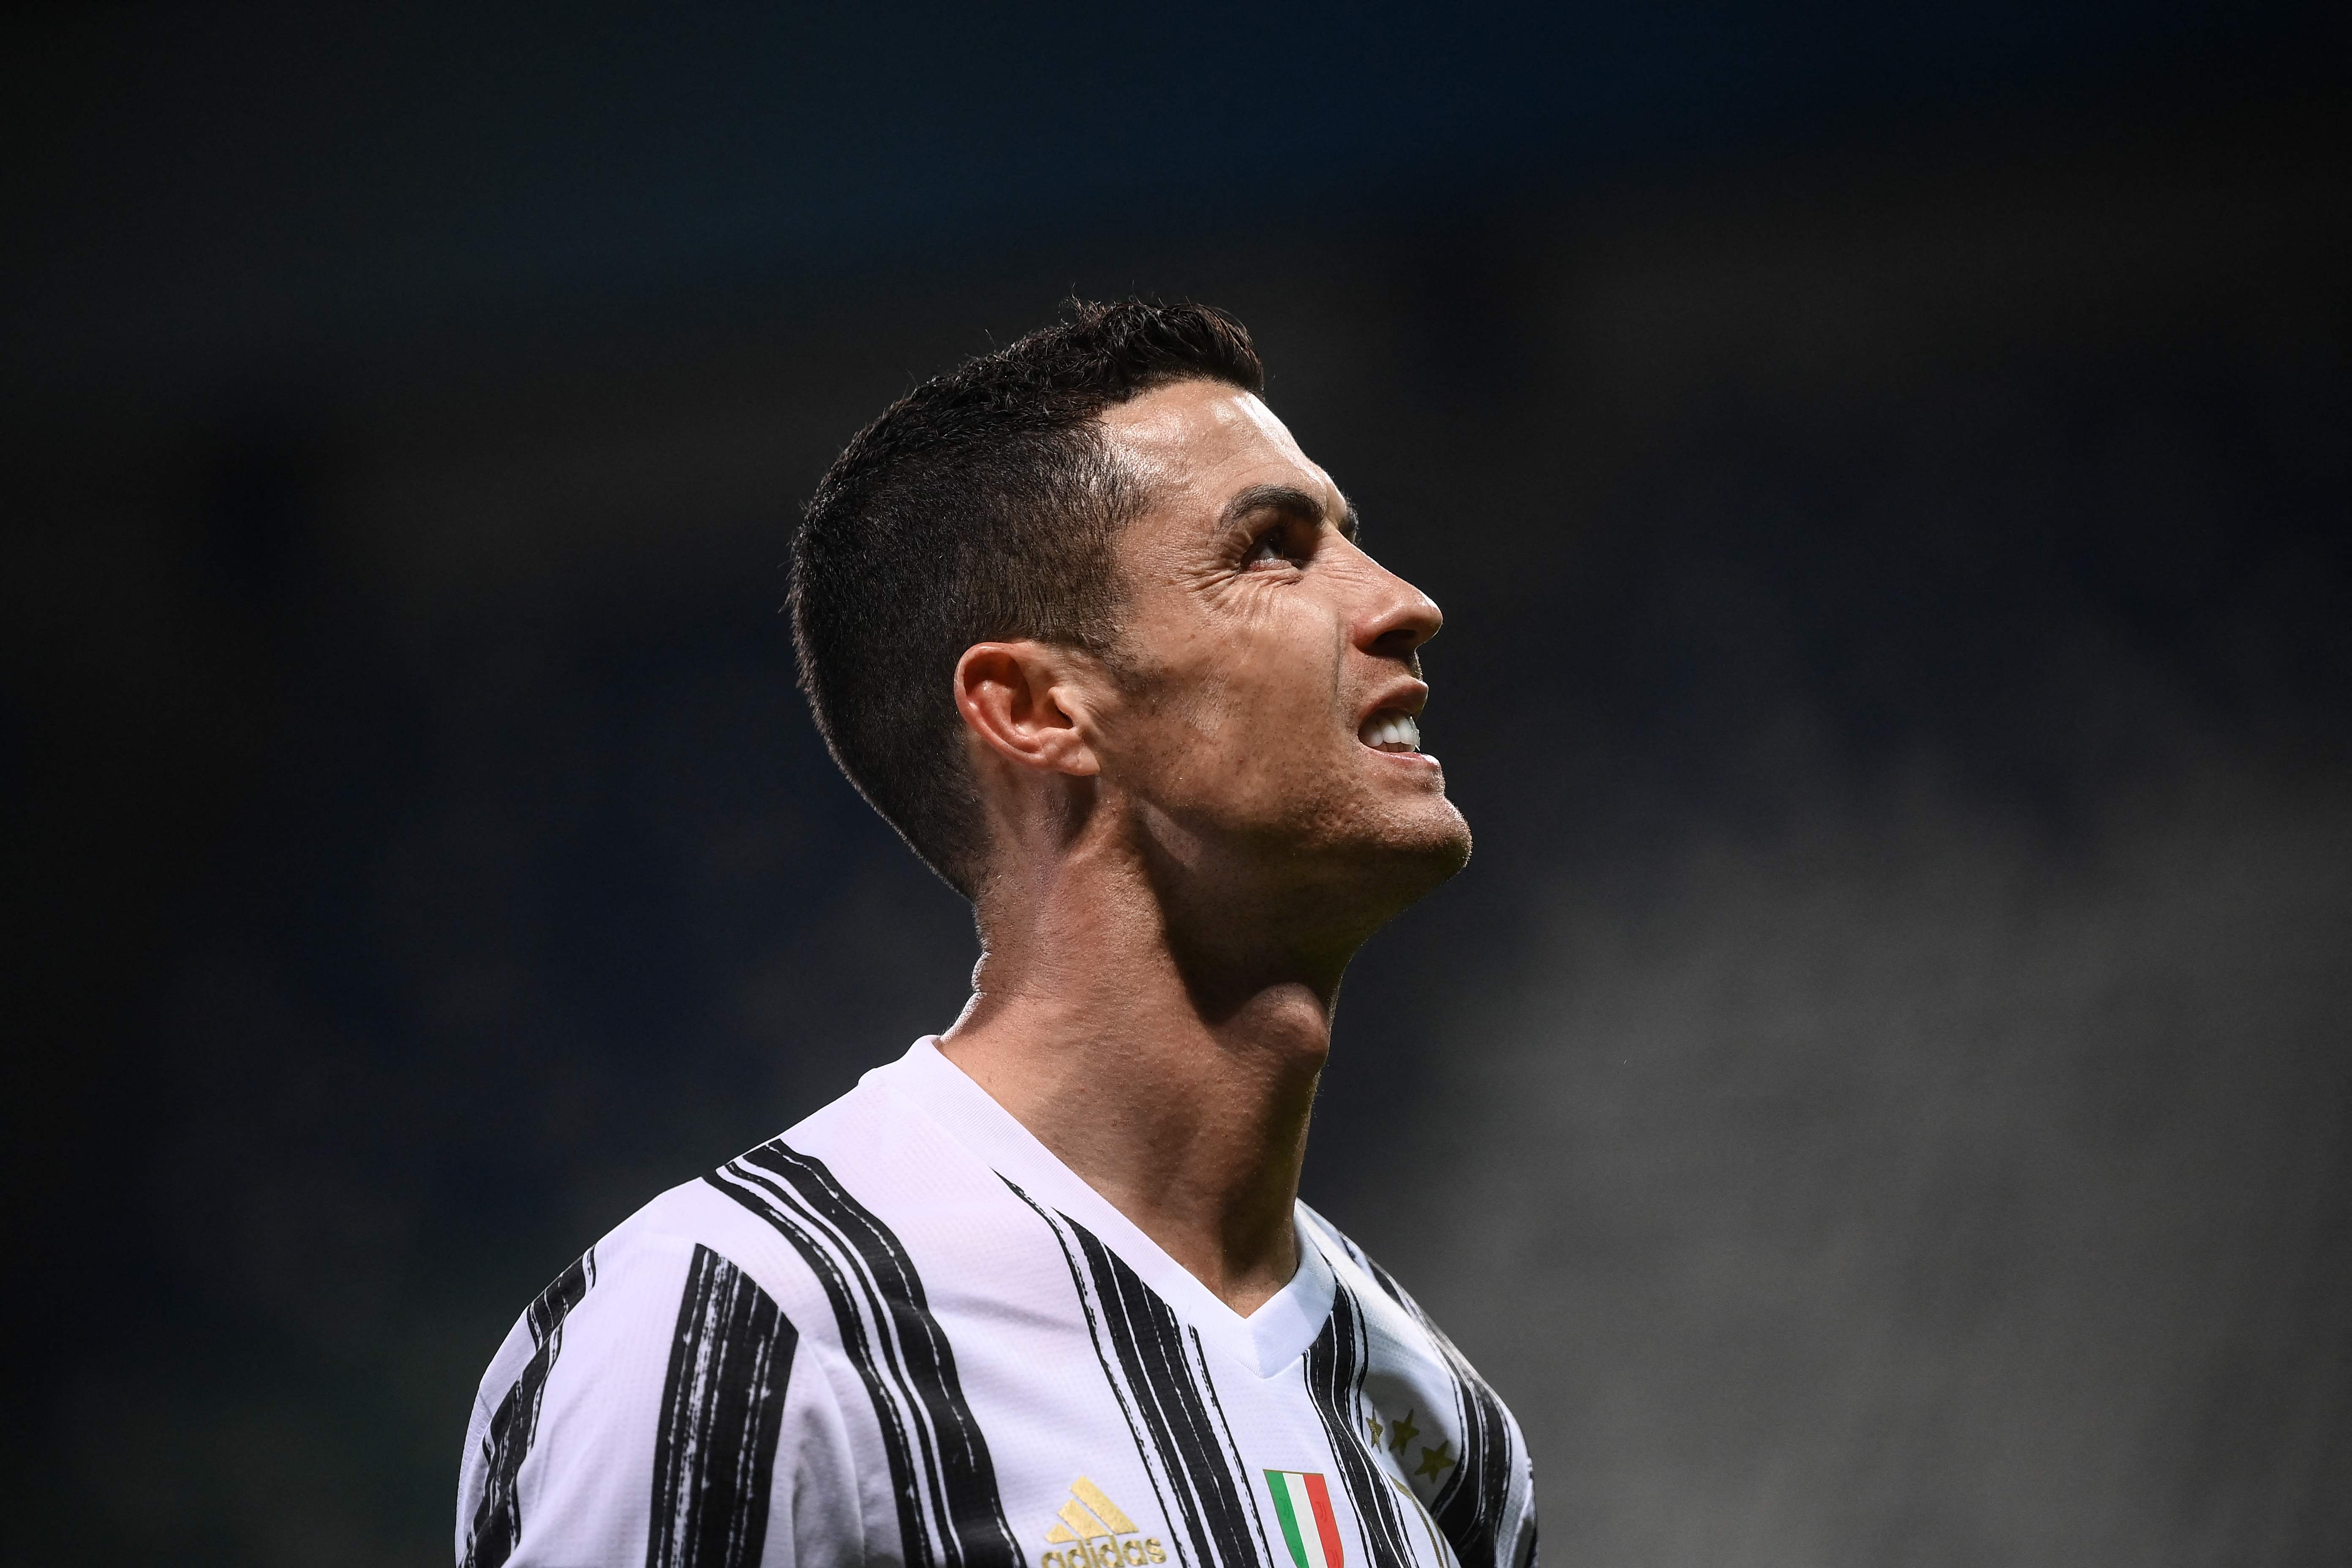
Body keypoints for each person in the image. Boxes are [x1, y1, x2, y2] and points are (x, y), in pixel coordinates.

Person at [456, 299, 1537, 1568]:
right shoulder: (748, 1324)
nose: (1406, 604)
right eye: (1272, 551)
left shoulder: (1441, 1428)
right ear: (1035, 709)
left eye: (1352, 540)